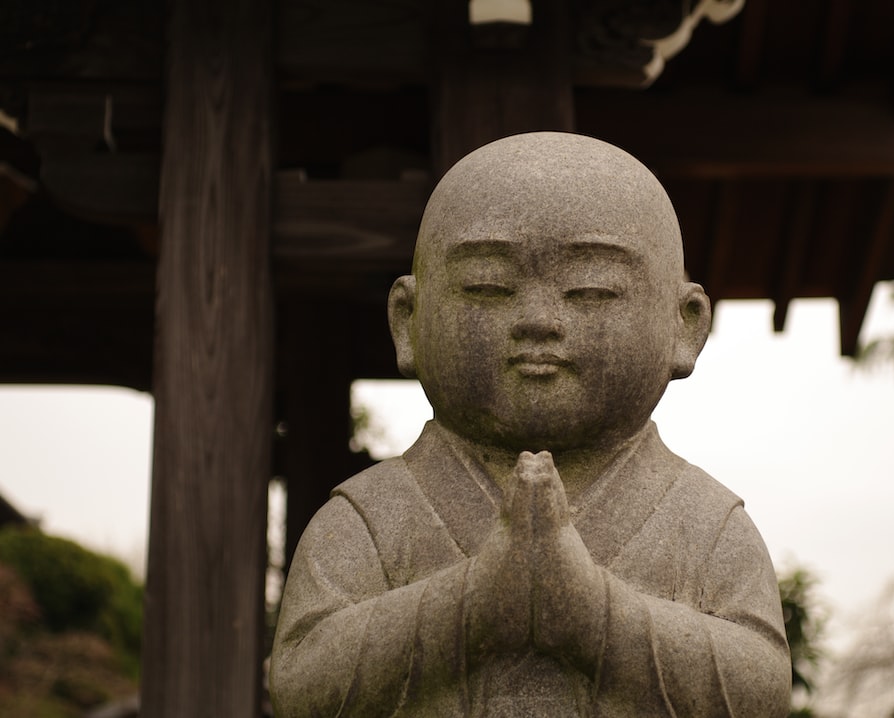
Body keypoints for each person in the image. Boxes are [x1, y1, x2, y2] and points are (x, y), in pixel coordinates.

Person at [270, 132, 791, 717]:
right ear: (407, 322)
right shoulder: (370, 517)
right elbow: (300, 684)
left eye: (591, 290)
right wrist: (477, 600)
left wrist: (591, 612)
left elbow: (759, 692)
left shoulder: (705, 522)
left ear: (685, 326)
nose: (539, 320)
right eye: (487, 288)